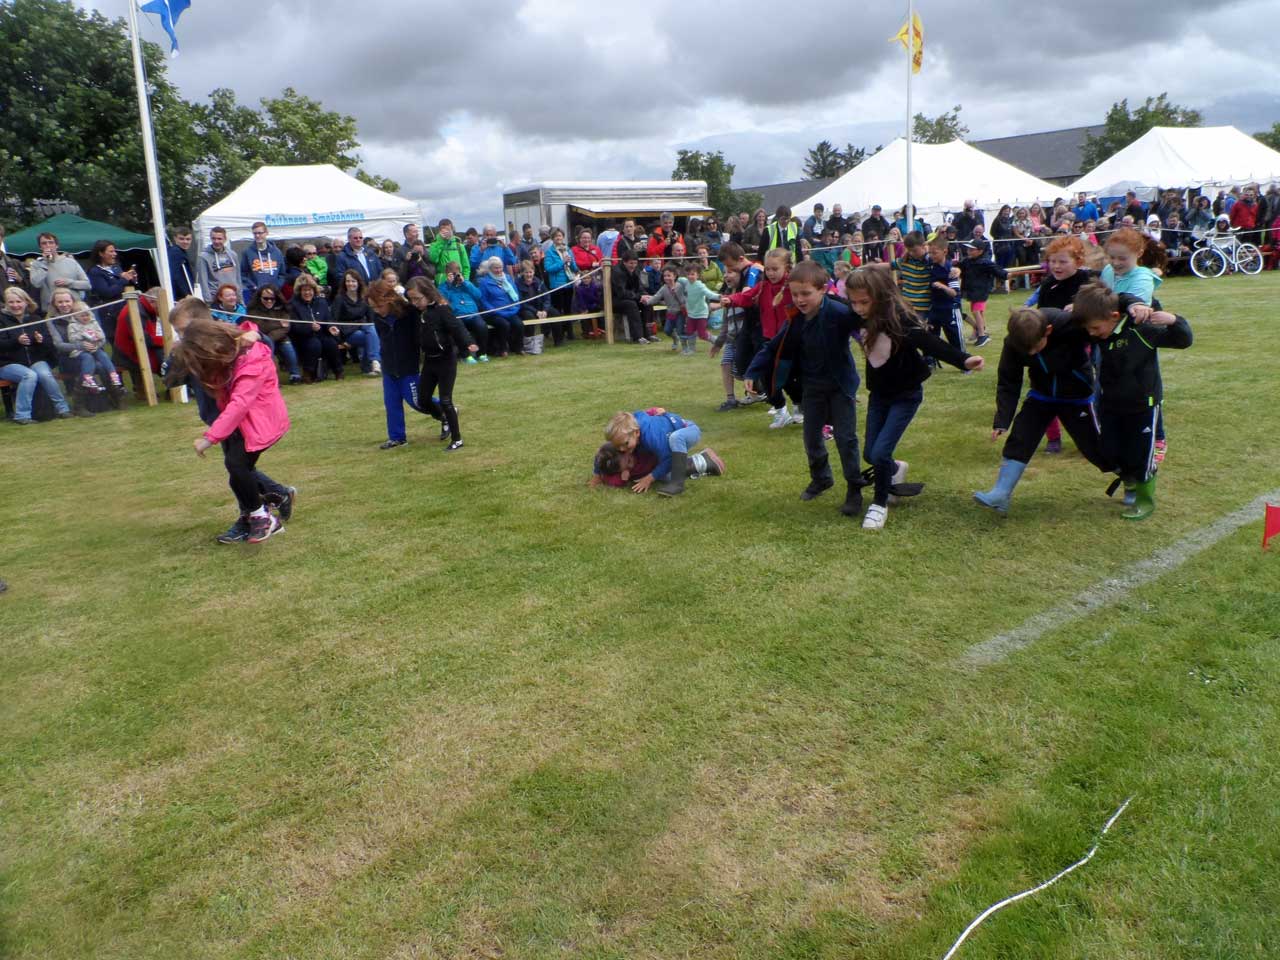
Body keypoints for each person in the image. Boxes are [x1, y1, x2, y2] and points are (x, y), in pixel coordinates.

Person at [843, 266, 984, 529]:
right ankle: (894, 470)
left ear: (882, 296)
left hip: (906, 395)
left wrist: (964, 360)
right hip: (879, 395)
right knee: (871, 454)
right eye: (854, 302)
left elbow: (930, 343)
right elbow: (827, 307)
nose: (859, 308)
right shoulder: (854, 317)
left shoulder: (899, 320)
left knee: (881, 450)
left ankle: (879, 503)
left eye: (864, 302)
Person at [974, 304, 1126, 513]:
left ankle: (1133, 479)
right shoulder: (1014, 342)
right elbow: (1008, 381)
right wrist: (1002, 420)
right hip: (1041, 394)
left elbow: (1103, 313)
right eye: (1026, 352)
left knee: (1095, 446)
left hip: (1077, 396)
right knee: (1021, 435)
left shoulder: (1071, 325)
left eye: (1036, 347)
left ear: (1048, 331)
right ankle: (1001, 493)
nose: (1031, 353)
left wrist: (1134, 305)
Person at [743, 261, 866, 518]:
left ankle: (855, 487)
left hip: (840, 386)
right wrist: (752, 372)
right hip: (812, 388)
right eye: (795, 294)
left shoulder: (837, 312)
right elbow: (772, 346)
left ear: (823, 289)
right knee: (811, 438)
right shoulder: (795, 320)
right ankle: (821, 478)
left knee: (846, 439)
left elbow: (867, 319)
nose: (799, 299)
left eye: (806, 293)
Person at [1074, 282, 1192, 520]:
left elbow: (1184, 340)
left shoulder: (1142, 329)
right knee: (1109, 450)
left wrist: (1174, 320)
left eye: (1095, 327)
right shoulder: (1100, 332)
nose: (1092, 333)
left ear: (1114, 316)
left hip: (1143, 406)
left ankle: (1144, 499)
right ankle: (1128, 480)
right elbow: (1114, 296)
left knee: (1141, 453)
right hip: (1110, 404)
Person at [177, 317, 292, 543]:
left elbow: (239, 404)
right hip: (242, 424)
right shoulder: (233, 353)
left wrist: (209, 439)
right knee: (238, 473)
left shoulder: (252, 361)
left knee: (237, 465)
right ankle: (265, 507)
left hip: (260, 423)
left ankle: (264, 517)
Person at [726, 248, 796, 428]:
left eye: (775, 269)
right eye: (768, 269)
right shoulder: (763, 286)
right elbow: (747, 297)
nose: (771, 273)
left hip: (791, 339)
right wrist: (731, 299)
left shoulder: (793, 286)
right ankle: (781, 411)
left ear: (786, 267)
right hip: (768, 339)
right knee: (766, 376)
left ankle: (799, 405)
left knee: (789, 377)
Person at [406, 277, 477, 451]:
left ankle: (457, 439)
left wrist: (468, 342)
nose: (414, 303)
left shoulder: (442, 310)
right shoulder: (417, 311)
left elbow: (457, 326)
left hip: (446, 360)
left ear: (427, 294)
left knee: (446, 400)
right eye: (412, 299)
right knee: (423, 400)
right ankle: (443, 418)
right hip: (430, 361)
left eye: (417, 299)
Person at [365, 279, 427, 449]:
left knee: (417, 401)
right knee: (391, 404)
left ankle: (445, 413)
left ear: (389, 300)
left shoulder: (409, 313)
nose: (377, 311)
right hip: (389, 367)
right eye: (373, 308)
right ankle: (397, 437)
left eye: (379, 306)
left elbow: (418, 338)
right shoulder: (378, 318)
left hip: (408, 366)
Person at [0, 286, 73, 423]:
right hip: (7, 364)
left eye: (19, 301)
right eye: (11, 302)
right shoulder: (2, 320)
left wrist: (41, 341)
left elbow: (50, 345)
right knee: (29, 375)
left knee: (45, 374)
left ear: (26, 302)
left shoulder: (35, 318)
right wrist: (16, 341)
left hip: (35, 360)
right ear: (6, 303)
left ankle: (63, 409)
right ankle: (22, 416)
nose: (15, 305)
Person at [603, 407, 705, 497]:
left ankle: (677, 484)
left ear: (637, 432)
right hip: (668, 436)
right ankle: (704, 461)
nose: (621, 449)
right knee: (663, 475)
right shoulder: (633, 422)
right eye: (618, 446)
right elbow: (641, 413)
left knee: (676, 438)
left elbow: (669, 459)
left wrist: (649, 478)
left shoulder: (652, 438)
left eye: (625, 443)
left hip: (688, 429)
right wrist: (597, 474)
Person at [51, 292, 123, 395]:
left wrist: (96, 343)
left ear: (73, 301)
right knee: (91, 362)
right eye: (60, 302)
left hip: (93, 351)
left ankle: (115, 391)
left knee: (102, 362)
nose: (64, 304)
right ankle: (80, 400)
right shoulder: (53, 321)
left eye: (67, 301)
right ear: (54, 304)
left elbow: (102, 338)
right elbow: (59, 345)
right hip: (70, 356)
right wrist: (81, 345)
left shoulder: (89, 317)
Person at [590, 440, 724, 489]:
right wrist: (623, 477)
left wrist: (651, 477)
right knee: (667, 478)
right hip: (657, 469)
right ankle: (703, 463)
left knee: (670, 476)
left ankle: (703, 459)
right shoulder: (616, 468)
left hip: (664, 461)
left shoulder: (640, 448)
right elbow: (614, 481)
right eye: (626, 467)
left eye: (629, 460)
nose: (631, 465)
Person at [287, 275, 343, 381]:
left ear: (314, 290)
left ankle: (338, 371)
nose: (307, 293)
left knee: (330, 343)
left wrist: (331, 327)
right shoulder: (292, 305)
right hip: (302, 336)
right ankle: (308, 372)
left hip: (321, 333)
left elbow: (328, 319)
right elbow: (294, 326)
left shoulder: (321, 302)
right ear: (299, 291)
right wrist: (309, 327)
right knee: (314, 344)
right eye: (304, 290)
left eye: (310, 290)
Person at [710, 268, 749, 410]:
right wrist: (718, 343)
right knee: (725, 363)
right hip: (732, 339)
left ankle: (760, 390)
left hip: (745, 339)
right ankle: (730, 399)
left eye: (731, 272)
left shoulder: (744, 294)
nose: (726, 275)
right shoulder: (726, 296)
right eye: (725, 272)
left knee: (740, 371)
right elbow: (726, 323)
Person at [246, 286, 302, 385]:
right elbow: (261, 327)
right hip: (261, 338)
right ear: (259, 297)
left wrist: (271, 336)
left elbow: (286, 327)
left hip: (280, 337)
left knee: (288, 348)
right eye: (265, 298)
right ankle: (272, 379)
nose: (269, 301)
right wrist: (279, 324)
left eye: (272, 298)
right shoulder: (253, 310)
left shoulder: (283, 308)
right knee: (268, 349)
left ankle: (295, 375)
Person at [331, 270, 381, 377]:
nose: (350, 284)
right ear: (344, 283)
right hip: (348, 332)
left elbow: (370, 318)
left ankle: (371, 364)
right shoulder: (339, 299)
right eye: (348, 281)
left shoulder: (364, 297)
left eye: (353, 281)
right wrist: (340, 340)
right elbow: (333, 320)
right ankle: (373, 363)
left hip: (364, 327)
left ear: (358, 283)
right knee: (370, 336)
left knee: (371, 330)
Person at [86, 240, 138, 342]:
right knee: (118, 342)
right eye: (111, 251)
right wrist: (123, 280)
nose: (115, 254)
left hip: (124, 308)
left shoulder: (116, 267)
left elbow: (124, 286)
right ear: (101, 253)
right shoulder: (95, 272)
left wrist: (132, 278)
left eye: (115, 251)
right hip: (109, 313)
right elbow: (107, 292)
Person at [958, 240, 1006, 347]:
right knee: (978, 311)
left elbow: (1000, 272)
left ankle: (982, 335)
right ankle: (979, 329)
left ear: (980, 251)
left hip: (981, 291)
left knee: (976, 311)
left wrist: (1006, 275)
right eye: (968, 249)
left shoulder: (985, 263)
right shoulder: (967, 262)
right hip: (971, 291)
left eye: (972, 249)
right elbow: (958, 267)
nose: (969, 251)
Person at [27, 231, 91, 311]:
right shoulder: (36, 264)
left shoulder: (70, 262)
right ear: (40, 247)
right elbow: (36, 283)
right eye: (44, 243)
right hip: (52, 310)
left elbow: (87, 285)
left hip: (75, 307)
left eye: (51, 242)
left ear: (57, 245)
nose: (48, 245)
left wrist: (69, 282)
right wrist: (45, 263)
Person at [440, 262, 490, 362]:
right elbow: (443, 301)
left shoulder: (466, 283)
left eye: (456, 274)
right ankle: (466, 355)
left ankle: (482, 353)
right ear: (447, 274)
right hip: (457, 316)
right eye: (452, 274)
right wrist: (449, 285)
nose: (455, 277)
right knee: (459, 330)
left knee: (482, 326)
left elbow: (478, 295)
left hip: (472, 314)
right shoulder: (443, 287)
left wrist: (465, 283)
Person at [475, 255, 524, 356]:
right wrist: (495, 311)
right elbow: (483, 301)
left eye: (500, 267)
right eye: (495, 268)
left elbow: (515, 294)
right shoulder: (484, 282)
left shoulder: (508, 279)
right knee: (504, 325)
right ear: (490, 269)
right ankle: (503, 349)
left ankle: (518, 348)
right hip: (493, 313)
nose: (498, 270)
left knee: (519, 324)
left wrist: (514, 308)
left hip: (510, 311)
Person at [515, 259, 559, 349]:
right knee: (529, 316)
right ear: (522, 273)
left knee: (555, 313)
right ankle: (530, 344)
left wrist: (545, 310)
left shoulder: (539, 281)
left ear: (534, 272)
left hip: (540, 307)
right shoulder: (517, 283)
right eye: (526, 272)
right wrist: (536, 312)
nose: (529, 275)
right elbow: (522, 302)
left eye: (531, 272)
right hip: (526, 309)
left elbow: (547, 297)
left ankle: (558, 341)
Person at [643, 264, 688, 351]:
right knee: (667, 330)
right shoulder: (664, 288)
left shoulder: (680, 286)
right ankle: (675, 339)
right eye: (664, 276)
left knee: (680, 330)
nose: (666, 278)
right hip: (670, 313)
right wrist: (647, 302)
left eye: (669, 275)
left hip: (680, 313)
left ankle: (685, 347)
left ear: (674, 276)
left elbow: (688, 294)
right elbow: (656, 297)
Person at [679, 261, 721, 351]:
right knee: (689, 331)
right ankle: (691, 349)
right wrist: (671, 277)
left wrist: (720, 296)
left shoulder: (700, 286)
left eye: (693, 274)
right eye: (689, 274)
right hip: (691, 313)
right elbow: (678, 278)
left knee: (702, 334)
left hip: (701, 313)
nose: (690, 276)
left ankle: (717, 340)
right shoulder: (685, 282)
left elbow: (710, 294)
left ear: (698, 275)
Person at [238, 222, 285, 301]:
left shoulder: (277, 252)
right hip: (256, 294)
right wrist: (253, 287)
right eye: (255, 233)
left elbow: (282, 274)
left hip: (274, 294)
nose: (257, 236)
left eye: (260, 233)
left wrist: (276, 287)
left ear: (266, 233)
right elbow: (243, 274)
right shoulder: (247, 252)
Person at [610, 250, 648, 344]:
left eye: (635, 263)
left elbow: (639, 286)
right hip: (614, 300)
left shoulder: (636, 270)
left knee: (647, 303)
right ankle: (637, 337)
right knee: (631, 305)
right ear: (624, 262)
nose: (633, 266)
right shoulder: (617, 272)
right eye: (631, 263)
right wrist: (638, 297)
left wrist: (644, 295)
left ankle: (649, 334)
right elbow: (621, 293)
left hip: (630, 298)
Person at [198, 227, 241, 303]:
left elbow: (238, 277)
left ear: (225, 239)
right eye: (213, 238)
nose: (216, 241)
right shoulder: (204, 257)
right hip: (216, 298)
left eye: (219, 239)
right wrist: (209, 302)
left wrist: (240, 297)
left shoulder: (233, 255)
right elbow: (203, 281)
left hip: (233, 297)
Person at [166, 226, 196, 299]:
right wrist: (185, 294)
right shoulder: (176, 252)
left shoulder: (181, 251)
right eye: (181, 239)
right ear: (175, 238)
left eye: (188, 239)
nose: (185, 242)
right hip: (180, 295)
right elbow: (175, 274)